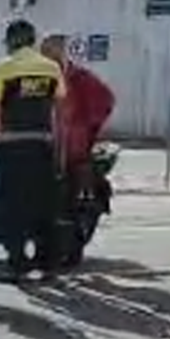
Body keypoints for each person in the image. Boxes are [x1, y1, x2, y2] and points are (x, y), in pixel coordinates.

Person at [0, 19, 67, 284]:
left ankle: (18, 265)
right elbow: (59, 107)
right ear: (32, 40)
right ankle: (48, 265)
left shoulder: (4, 68)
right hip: (42, 145)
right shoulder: (51, 68)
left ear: (10, 41)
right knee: (45, 206)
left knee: (13, 208)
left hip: (12, 146)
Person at [39, 34, 116, 209]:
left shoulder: (79, 77)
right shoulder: (39, 78)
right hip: (45, 146)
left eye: (54, 53)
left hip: (72, 149)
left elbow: (105, 100)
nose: (50, 57)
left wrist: (86, 126)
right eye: (46, 53)